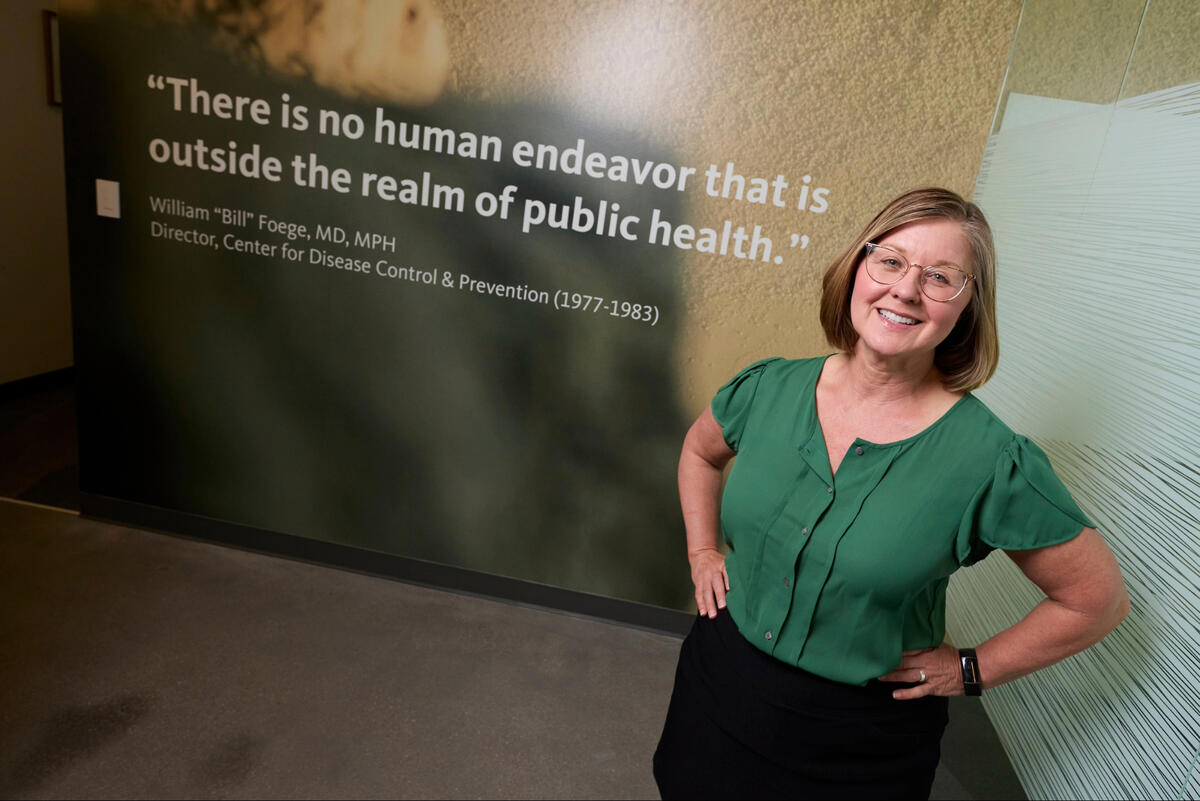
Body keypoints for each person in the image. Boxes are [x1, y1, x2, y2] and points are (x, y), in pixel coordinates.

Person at [652, 187, 1130, 800]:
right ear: (858, 267)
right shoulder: (769, 387)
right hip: (719, 684)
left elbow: (1097, 601)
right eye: (891, 260)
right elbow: (699, 452)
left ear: (967, 308)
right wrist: (701, 552)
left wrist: (970, 670)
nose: (906, 289)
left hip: (856, 742)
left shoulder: (990, 460)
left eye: (940, 277)